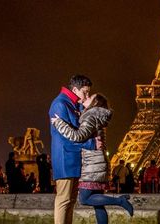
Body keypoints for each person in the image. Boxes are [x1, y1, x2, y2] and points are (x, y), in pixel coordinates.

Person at [51, 93, 133, 224]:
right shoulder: (100, 117)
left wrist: (59, 124)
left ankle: (119, 201)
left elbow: (78, 136)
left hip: (92, 165)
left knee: (84, 199)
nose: (86, 97)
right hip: (99, 163)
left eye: (89, 97)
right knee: (98, 205)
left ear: (94, 103)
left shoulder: (90, 116)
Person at [49, 75, 98, 224]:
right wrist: (91, 144)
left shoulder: (70, 104)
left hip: (72, 157)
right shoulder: (60, 104)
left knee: (69, 201)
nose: (87, 96)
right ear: (75, 89)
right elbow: (68, 137)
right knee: (64, 200)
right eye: (85, 92)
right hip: (66, 158)